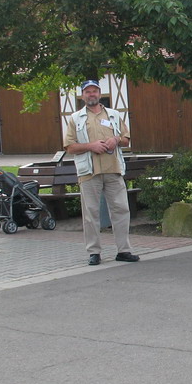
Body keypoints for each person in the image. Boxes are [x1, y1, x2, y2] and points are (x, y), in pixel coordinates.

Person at [63, 80, 139, 266]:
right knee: (91, 213)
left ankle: (124, 250)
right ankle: (94, 252)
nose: (91, 94)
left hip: (113, 170)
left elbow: (126, 139)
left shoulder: (113, 115)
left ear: (99, 93)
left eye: (94, 91)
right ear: (83, 95)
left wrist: (116, 139)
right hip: (89, 172)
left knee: (121, 210)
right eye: (87, 91)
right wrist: (91, 146)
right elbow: (69, 147)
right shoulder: (76, 118)